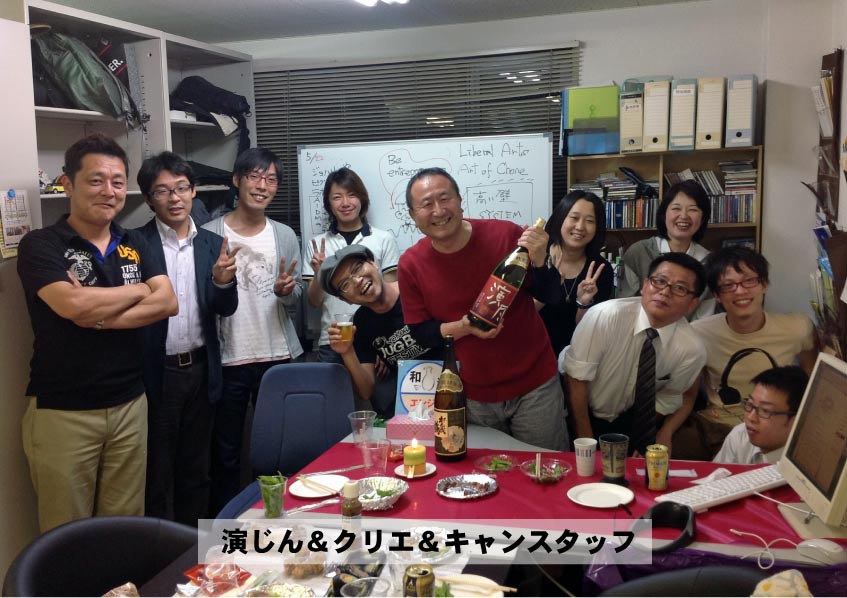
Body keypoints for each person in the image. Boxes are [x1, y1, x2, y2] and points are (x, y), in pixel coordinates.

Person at [16, 133, 178, 532]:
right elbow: (73, 305)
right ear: (67, 184)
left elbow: (167, 302)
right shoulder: (41, 245)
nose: (109, 191)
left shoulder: (136, 242)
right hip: (63, 411)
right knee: (66, 533)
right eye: (96, 180)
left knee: (124, 526)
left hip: (130, 404)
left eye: (118, 182)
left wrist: (99, 314)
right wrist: (138, 291)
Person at [398, 167, 568, 451]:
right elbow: (419, 334)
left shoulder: (506, 235)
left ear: (460, 200)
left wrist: (540, 261)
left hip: (535, 385)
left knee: (544, 468)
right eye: (426, 204)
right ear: (413, 215)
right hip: (470, 393)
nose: (438, 210)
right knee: (483, 473)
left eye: (445, 198)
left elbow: (551, 296)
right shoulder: (411, 264)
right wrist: (465, 327)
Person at [136, 152, 239, 525]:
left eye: (181, 188)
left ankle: (194, 549)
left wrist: (223, 282)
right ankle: (159, 552)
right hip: (156, 374)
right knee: (156, 473)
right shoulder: (136, 243)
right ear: (149, 198)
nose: (174, 198)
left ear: (194, 191)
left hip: (200, 370)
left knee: (197, 471)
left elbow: (225, 308)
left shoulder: (213, 243)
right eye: (162, 191)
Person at [202, 147, 303, 514]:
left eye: (271, 179)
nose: (262, 186)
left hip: (278, 357)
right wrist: (220, 282)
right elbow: (204, 299)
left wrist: (287, 291)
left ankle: (279, 523)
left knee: (279, 449)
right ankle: (226, 529)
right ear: (237, 180)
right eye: (255, 177)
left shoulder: (284, 234)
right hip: (229, 359)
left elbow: (297, 298)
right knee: (226, 453)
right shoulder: (209, 234)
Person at [562, 253, 707, 456]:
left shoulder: (691, 349)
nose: (665, 292)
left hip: (630, 416)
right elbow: (576, 380)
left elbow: (668, 397)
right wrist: (588, 444)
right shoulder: (605, 316)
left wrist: (643, 438)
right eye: (659, 281)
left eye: (680, 288)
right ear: (645, 285)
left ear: (693, 304)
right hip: (575, 406)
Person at [687, 246, 817, 457]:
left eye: (749, 281)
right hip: (718, 429)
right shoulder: (699, 334)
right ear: (717, 295)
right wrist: (667, 431)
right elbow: (688, 395)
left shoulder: (798, 327)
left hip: (775, 428)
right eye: (728, 285)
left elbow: (811, 377)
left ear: (764, 284)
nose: (740, 291)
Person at [317, 244, 442, 417]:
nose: (357, 281)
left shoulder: (415, 287)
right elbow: (366, 391)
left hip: (454, 386)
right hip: (413, 404)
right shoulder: (362, 322)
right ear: (345, 300)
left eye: (357, 268)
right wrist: (347, 351)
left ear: (373, 263)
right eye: (345, 284)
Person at [302, 167, 399, 363]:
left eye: (352, 195)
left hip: (376, 339)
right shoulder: (317, 245)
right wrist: (319, 274)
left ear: (362, 198)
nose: (345, 203)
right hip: (333, 340)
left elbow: (391, 297)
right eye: (337, 197)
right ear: (329, 204)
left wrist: (388, 342)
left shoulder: (383, 239)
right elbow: (314, 302)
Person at [619, 180, 715, 321]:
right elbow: (625, 306)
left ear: (703, 218)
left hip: (688, 333)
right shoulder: (638, 253)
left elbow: (704, 320)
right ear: (664, 214)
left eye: (693, 209)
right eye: (676, 208)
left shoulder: (710, 263)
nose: (684, 216)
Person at [534, 190, 614, 356]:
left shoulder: (601, 269)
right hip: (531, 353)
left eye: (590, 221)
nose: (580, 227)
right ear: (561, 217)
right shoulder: (536, 256)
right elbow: (518, 315)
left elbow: (589, 332)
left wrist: (583, 303)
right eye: (574, 217)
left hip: (574, 357)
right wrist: (547, 290)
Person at [713, 366, 809, 465]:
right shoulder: (740, 436)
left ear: (796, 420)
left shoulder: (808, 462)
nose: (751, 417)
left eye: (765, 411)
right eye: (750, 404)